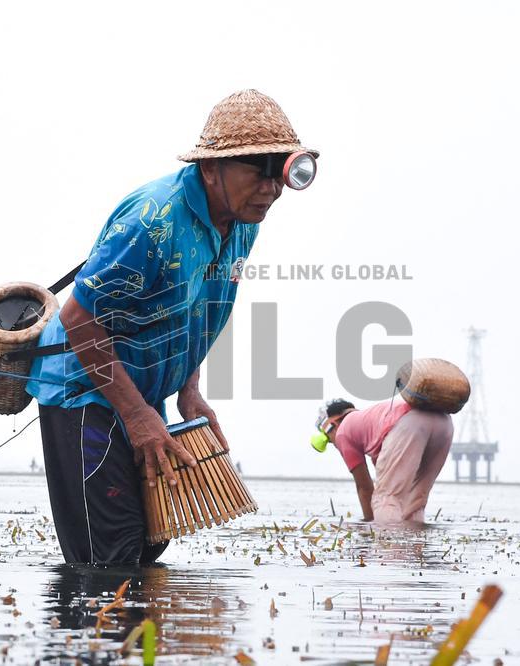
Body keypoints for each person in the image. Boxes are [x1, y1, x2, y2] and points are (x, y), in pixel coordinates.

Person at [25, 90, 318, 564]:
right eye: (256, 169)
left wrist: (189, 390)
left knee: (152, 540)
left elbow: (194, 309)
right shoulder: (152, 220)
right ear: (210, 169)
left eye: (280, 169)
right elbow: (78, 316)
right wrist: (140, 417)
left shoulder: (244, 221)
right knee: (108, 558)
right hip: (83, 389)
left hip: (142, 390)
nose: (271, 188)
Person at [314, 396, 454, 522]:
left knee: (387, 498)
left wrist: (369, 525)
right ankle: (413, 546)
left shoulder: (342, 432)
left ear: (331, 425)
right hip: (444, 423)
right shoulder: (372, 422)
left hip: (408, 423)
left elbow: (364, 486)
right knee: (415, 500)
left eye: (329, 440)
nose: (334, 443)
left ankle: (387, 546)